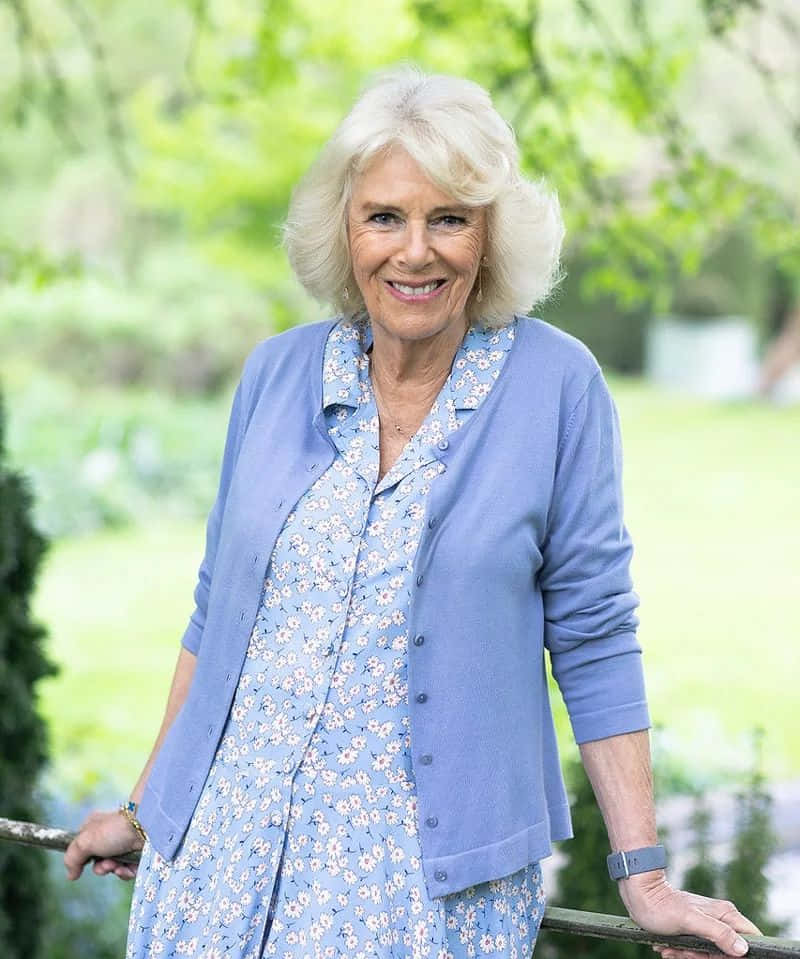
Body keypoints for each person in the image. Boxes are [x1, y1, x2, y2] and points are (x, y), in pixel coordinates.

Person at [64, 66, 760, 959]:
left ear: (491, 235)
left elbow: (594, 634)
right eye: (385, 216)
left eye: (450, 218)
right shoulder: (275, 376)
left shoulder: (559, 388)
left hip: (421, 890)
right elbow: (219, 614)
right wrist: (144, 804)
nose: (415, 251)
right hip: (220, 863)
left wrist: (645, 872)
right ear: (344, 230)